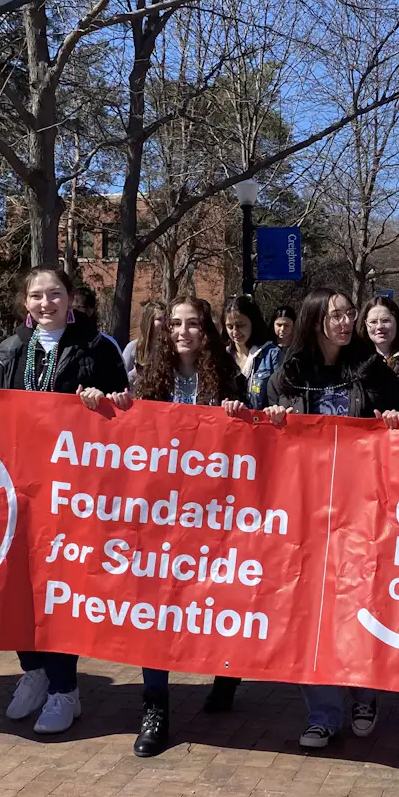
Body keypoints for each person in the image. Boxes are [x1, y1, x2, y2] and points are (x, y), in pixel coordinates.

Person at [0, 266, 129, 735]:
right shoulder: (5, 352)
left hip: (72, 489)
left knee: (58, 589)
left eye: (55, 295)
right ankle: (35, 672)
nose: (47, 304)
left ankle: (66, 689)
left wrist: (105, 401)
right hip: (15, 485)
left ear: (70, 299)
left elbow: (125, 411)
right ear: (26, 302)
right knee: (18, 586)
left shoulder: (97, 347)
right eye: (37, 296)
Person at [264, 288, 399, 747]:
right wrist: (268, 420)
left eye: (350, 314)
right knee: (314, 612)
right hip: (306, 512)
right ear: (313, 322)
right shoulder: (286, 376)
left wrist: (392, 420)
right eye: (336, 316)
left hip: (363, 509)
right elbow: (262, 442)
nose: (347, 323)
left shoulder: (370, 370)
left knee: (361, 601)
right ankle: (322, 711)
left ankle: (365, 690)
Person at [129, 296, 249, 754]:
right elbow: (130, 437)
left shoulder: (228, 378)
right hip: (161, 514)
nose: (182, 331)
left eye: (192, 323)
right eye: (175, 323)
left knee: (220, 598)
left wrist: (241, 414)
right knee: (154, 611)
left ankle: (226, 670)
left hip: (215, 512)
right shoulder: (149, 379)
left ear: (207, 330)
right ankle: (155, 705)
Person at [247, 304, 297, 409]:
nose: (282, 329)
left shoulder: (297, 348)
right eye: (279, 325)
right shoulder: (265, 349)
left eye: (287, 325)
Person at [222, 294, 273, 379]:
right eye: (230, 327)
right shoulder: (223, 357)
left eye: (240, 325)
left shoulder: (271, 355)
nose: (235, 332)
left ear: (253, 323)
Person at [71, 283, 125, 360]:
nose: (73, 312)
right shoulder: (61, 341)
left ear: (90, 310)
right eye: (70, 308)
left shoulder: (106, 344)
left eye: (77, 307)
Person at [122, 300, 164, 384]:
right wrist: (133, 374)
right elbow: (120, 379)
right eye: (159, 319)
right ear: (149, 322)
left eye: (166, 319)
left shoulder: (170, 347)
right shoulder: (133, 347)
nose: (164, 322)